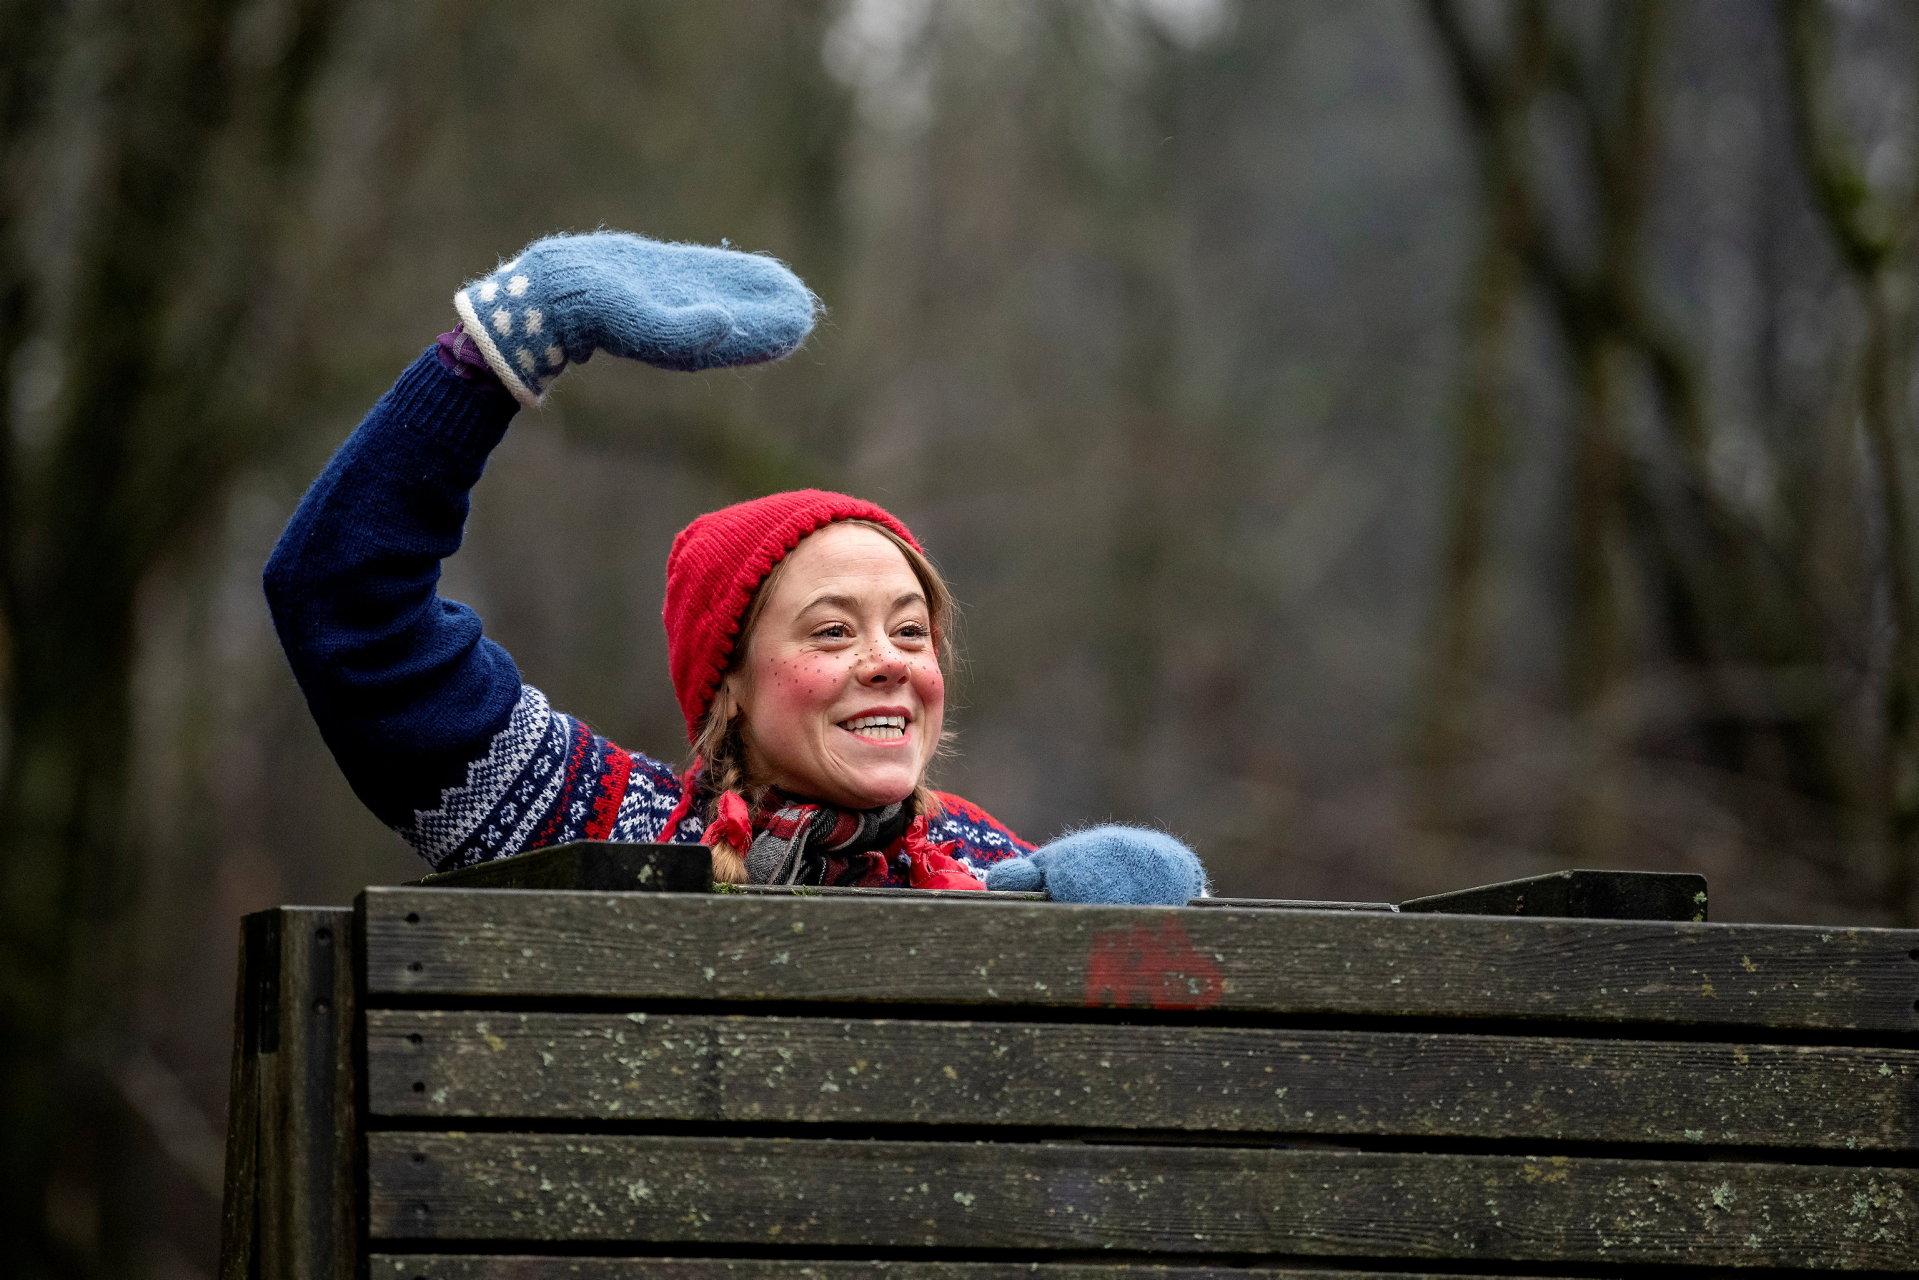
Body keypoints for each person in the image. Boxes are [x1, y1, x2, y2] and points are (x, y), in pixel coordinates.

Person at [263, 230, 1206, 903]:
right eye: (833, 630)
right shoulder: (597, 823)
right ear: (732, 688)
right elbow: (342, 602)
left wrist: (1128, 933)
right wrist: (503, 342)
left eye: (910, 631)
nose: (888, 661)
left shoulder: (977, 863)